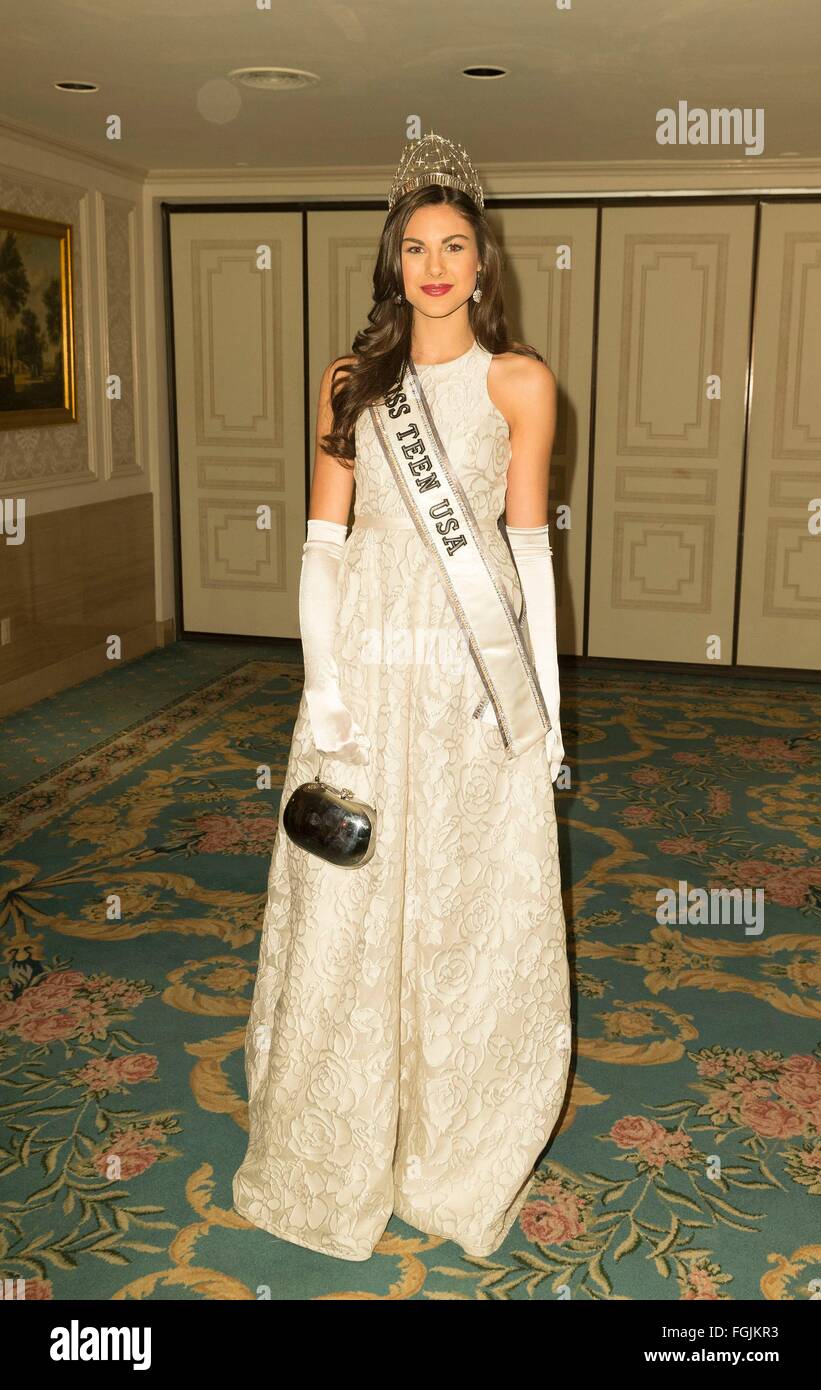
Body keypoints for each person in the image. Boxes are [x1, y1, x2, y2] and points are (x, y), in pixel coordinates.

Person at [232, 131, 572, 1262]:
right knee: (352, 897)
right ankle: (334, 1135)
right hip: (367, 675)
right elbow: (324, 548)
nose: (434, 265)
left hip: (470, 683)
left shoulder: (520, 384)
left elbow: (528, 554)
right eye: (415, 246)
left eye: (455, 245)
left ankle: (446, 1145)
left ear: (484, 264)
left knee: (464, 907)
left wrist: (542, 712)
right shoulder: (350, 381)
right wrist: (323, 691)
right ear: (395, 264)